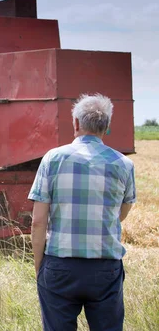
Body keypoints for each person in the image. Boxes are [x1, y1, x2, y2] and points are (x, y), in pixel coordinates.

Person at [28, 93, 136, 331]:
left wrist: (40, 268)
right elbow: (122, 211)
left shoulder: (52, 159)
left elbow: (38, 222)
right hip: (105, 267)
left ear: (76, 124)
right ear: (106, 127)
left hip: (59, 265)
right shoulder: (123, 164)